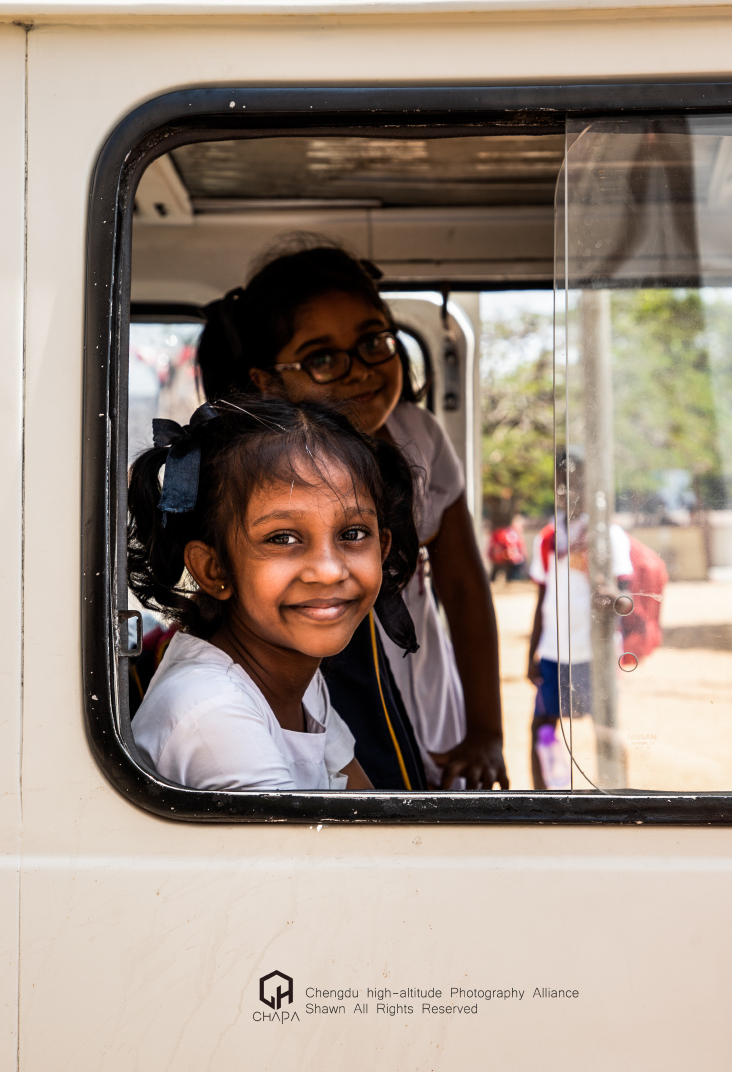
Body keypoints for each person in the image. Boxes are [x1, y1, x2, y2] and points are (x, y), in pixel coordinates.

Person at [197, 240, 507, 790]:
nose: (358, 370)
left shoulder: (420, 435)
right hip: (322, 673)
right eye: (321, 357)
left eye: (372, 343)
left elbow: (461, 587)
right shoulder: (253, 469)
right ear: (267, 380)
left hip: (422, 685)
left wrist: (486, 729)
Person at [128, 394, 420, 791]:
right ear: (214, 569)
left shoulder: (298, 679)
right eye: (283, 538)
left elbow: (369, 819)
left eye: (353, 534)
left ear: (381, 548)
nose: (330, 570)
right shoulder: (214, 712)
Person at [527, 449, 633, 789]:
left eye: (575, 482)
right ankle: (543, 804)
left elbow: (628, 600)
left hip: (593, 654)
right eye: (561, 483)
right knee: (541, 729)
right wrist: (532, 652)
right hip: (554, 654)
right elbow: (542, 600)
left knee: (605, 729)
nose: (567, 491)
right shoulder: (547, 538)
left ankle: (618, 795)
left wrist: (614, 598)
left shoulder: (606, 536)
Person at [488, 515, 527, 583]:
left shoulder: (511, 533)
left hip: (506, 558)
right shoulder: (511, 534)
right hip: (508, 558)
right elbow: (510, 546)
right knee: (512, 577)